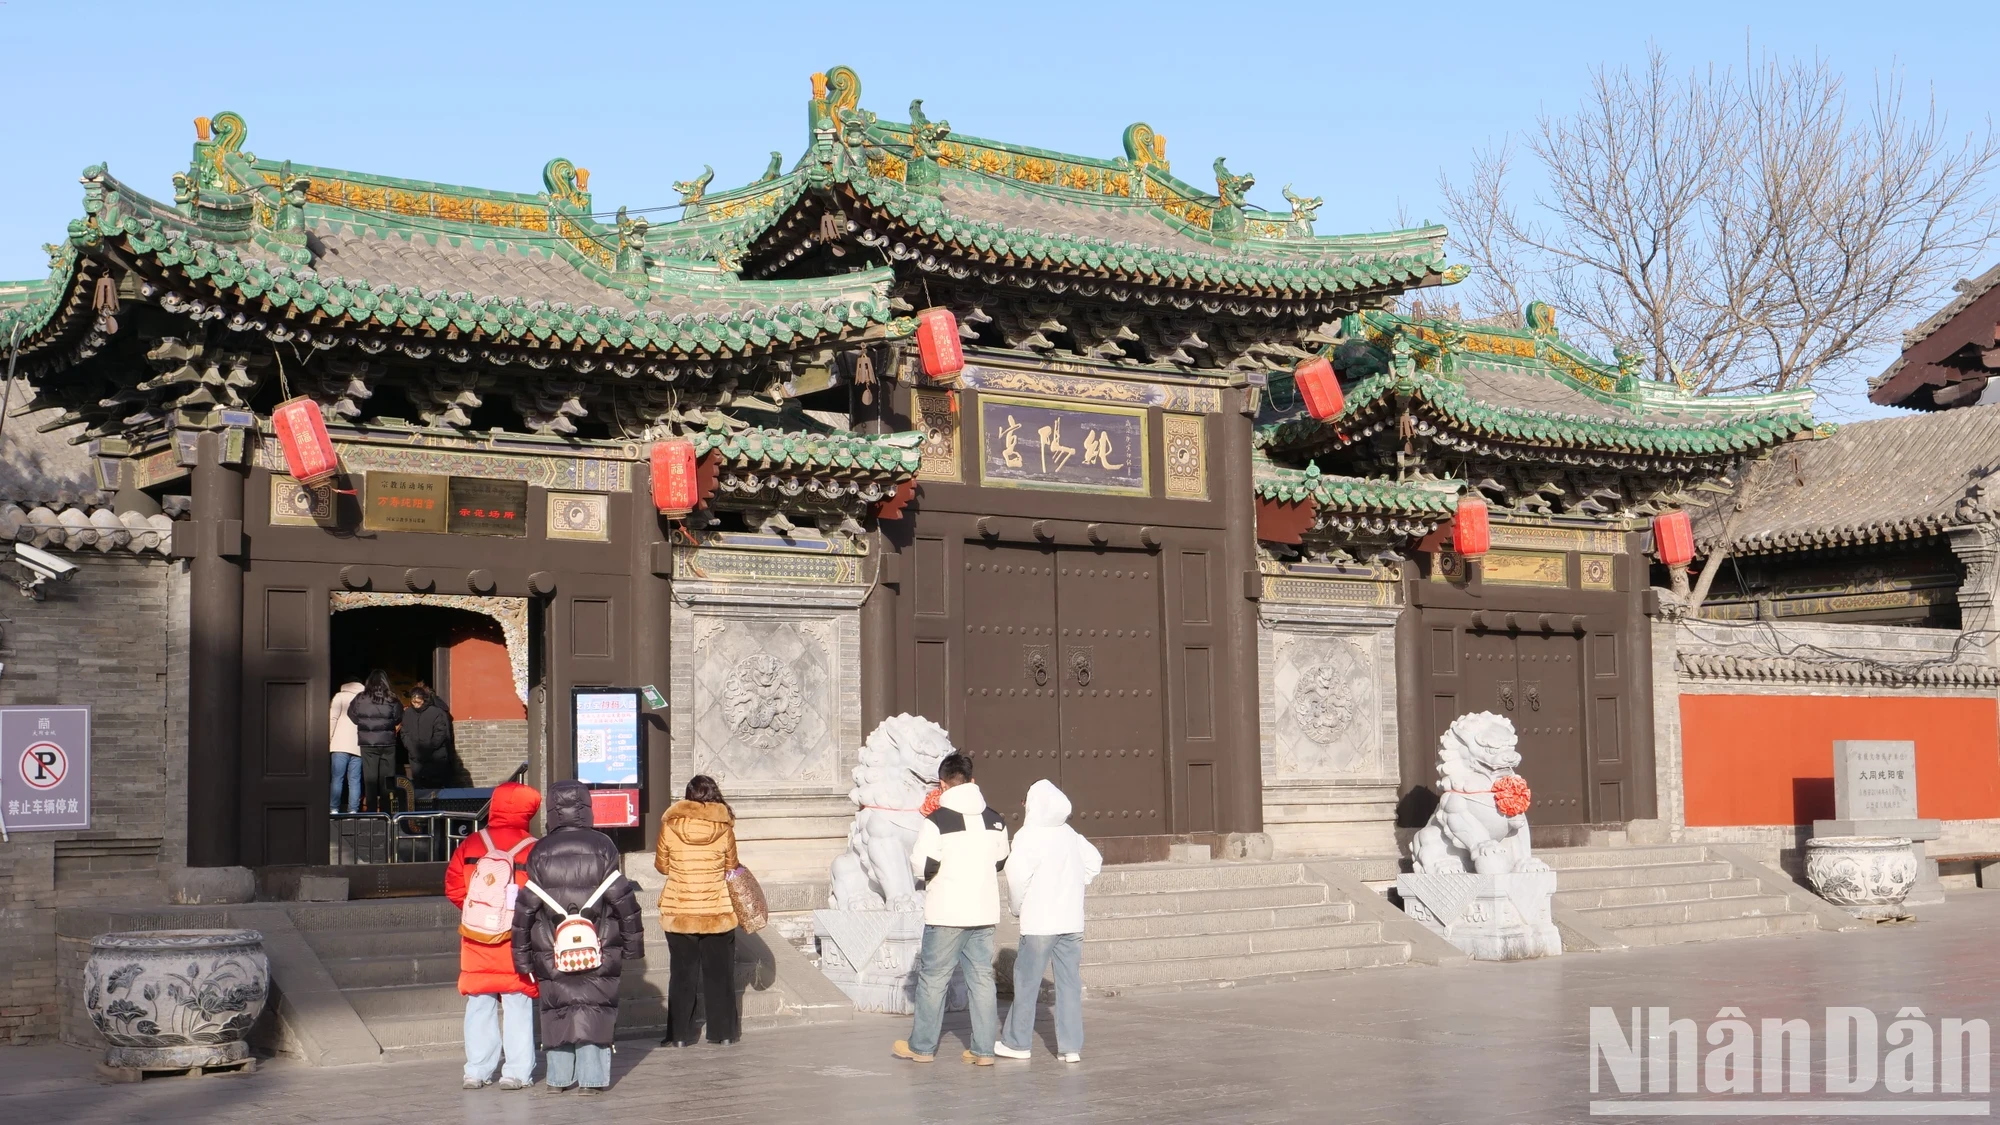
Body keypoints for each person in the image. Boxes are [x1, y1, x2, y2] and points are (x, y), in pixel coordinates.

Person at [512, 780, 644, 1095]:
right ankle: (593, 1079)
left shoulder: (540, 850)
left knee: (558, 1009)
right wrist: (632, 946)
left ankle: (558, 1079)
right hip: (599, 942)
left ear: (552, 810)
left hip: (551, 945)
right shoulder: (603, 847)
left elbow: (525, 909)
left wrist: (522, 956)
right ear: (586, 806)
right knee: (596, 1007)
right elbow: (624, 901)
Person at [893, 752, 1009, 1066]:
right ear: (972, 781)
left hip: (946, 912)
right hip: (983, 910)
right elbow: (1000, 860)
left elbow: (922, 865)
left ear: (942, 785)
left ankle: (922, 1047)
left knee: (933, 980)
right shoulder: (995, 819)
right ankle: (984, 1050)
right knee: (982, 979)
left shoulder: (937, 821)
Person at [443, 781, 541, 1091]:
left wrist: (479, 915)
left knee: (479, 1003)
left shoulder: (471, 843)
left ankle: (476, 1070)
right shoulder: (534, 848)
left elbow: (454, 888)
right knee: (517, 1003)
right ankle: (516, 1072)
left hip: (476, 937)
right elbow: (540, 896)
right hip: (515, 939)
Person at [995, 779, 1101, 1064]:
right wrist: (1076, 884)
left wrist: (1016, 908)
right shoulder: (1070, 834)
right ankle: (1071, 1047)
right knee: (1069, 984)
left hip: (1040, 922)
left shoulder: (1028, 836)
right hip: (1071, 920)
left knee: (1027, 982)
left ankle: (1017, 1043)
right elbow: (1094, 861)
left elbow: (1017, 879)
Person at [653, 774, 740, 1048]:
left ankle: (679, 1036)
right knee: (720, 975)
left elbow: (662, 866)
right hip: (718, 910)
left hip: (680, 910)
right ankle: (724, 1033)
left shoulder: (670, 825)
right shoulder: (724, 827)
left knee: (682, 975)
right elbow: (732, 867)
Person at [346, 670, 403, 812]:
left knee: (370, 780)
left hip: (367, 744)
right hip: (388, 742)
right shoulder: (392, 698)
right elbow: (398, 717)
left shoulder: (360, 698)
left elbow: (351, 715)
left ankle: (371, 812)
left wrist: (364, 724)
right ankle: (386, 811)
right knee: (387, 780)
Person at [401, 683, 456, 790]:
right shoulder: (407, 713)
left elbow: (440, 733)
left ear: (424, 700)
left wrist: (428, 748)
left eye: (418, 702)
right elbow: (404, 733)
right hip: (415, 757)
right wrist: (411, 748)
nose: (416, 705)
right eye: (413, 702)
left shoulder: (436, 712)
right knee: (418, 788)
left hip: (434, 756)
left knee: (434, 788)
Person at [328, 680, 365, 813]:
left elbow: (332, 719)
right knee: (355, 780)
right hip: (358, 745)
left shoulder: (340, 696)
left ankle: (334, 809)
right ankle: (353, 810)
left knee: (337, 778)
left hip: (339, 744)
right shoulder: (364, 698)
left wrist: (329, 739)